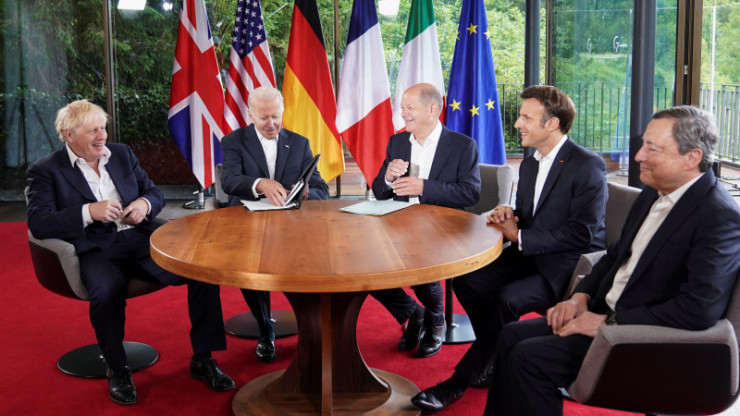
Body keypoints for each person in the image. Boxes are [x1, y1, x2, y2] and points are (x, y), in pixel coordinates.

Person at [483, 105, 740, 416]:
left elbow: (698, 309)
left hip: (647, 340)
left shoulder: (718, 216)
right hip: (605, 314)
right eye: (643, 145)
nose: (638, 156)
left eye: (652, 148)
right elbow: (615, 256)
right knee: (511, 335)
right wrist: (579, 298)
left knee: (528, 358)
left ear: (692, 158)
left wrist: (608, 323)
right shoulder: (653, 192)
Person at [412, 85, 608, 412]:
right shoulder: (530, 164)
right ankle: (493, 355)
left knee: (507, 300)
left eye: (526, 117)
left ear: (551, 123)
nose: (517, 124)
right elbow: (533, 216)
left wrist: (519, 237)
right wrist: (509, 214)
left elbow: (582, 234)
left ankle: (457, 383)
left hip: (568, 266)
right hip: (530, 253)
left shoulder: (587, 165)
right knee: (467, 280)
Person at [26, 100, 234, 406]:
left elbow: (154, 193)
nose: (102, 135)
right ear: (69, 135)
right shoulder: (45, 170)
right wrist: (88, 212)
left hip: (140, 239)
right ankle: (118, 371)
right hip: (96, 248)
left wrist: (143, 205)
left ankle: (203, 359)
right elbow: (39, 222)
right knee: (106, 293)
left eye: (103, 128)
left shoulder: (121, 154)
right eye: (92, 130)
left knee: (202, 272)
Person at [370, 83, 481, 358]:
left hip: (442, 226)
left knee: (418, 254)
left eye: (410, 107)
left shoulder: (462, 145)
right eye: (402, 107)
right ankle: (413, 313)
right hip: (399, 223)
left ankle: (435, 319)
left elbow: (471, 193)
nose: (403, 113)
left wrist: (424, 187)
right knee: (365, 264)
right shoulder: (397, 142)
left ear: (432, 109)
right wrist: (388, 178)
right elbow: (379, 191)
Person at [220, 86, 329, 362]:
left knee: (305, 267)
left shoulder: (300, 143)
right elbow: (229, 181)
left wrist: (307, 193)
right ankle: (265, 329)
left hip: (290, 227)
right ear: (250, 115)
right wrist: (261, 184)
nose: (271, 124)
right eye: (264, 117)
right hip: (247, 224)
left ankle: (310, 329)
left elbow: (322, 189)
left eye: (276, 116)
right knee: (252, 272)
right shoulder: (234, 141)